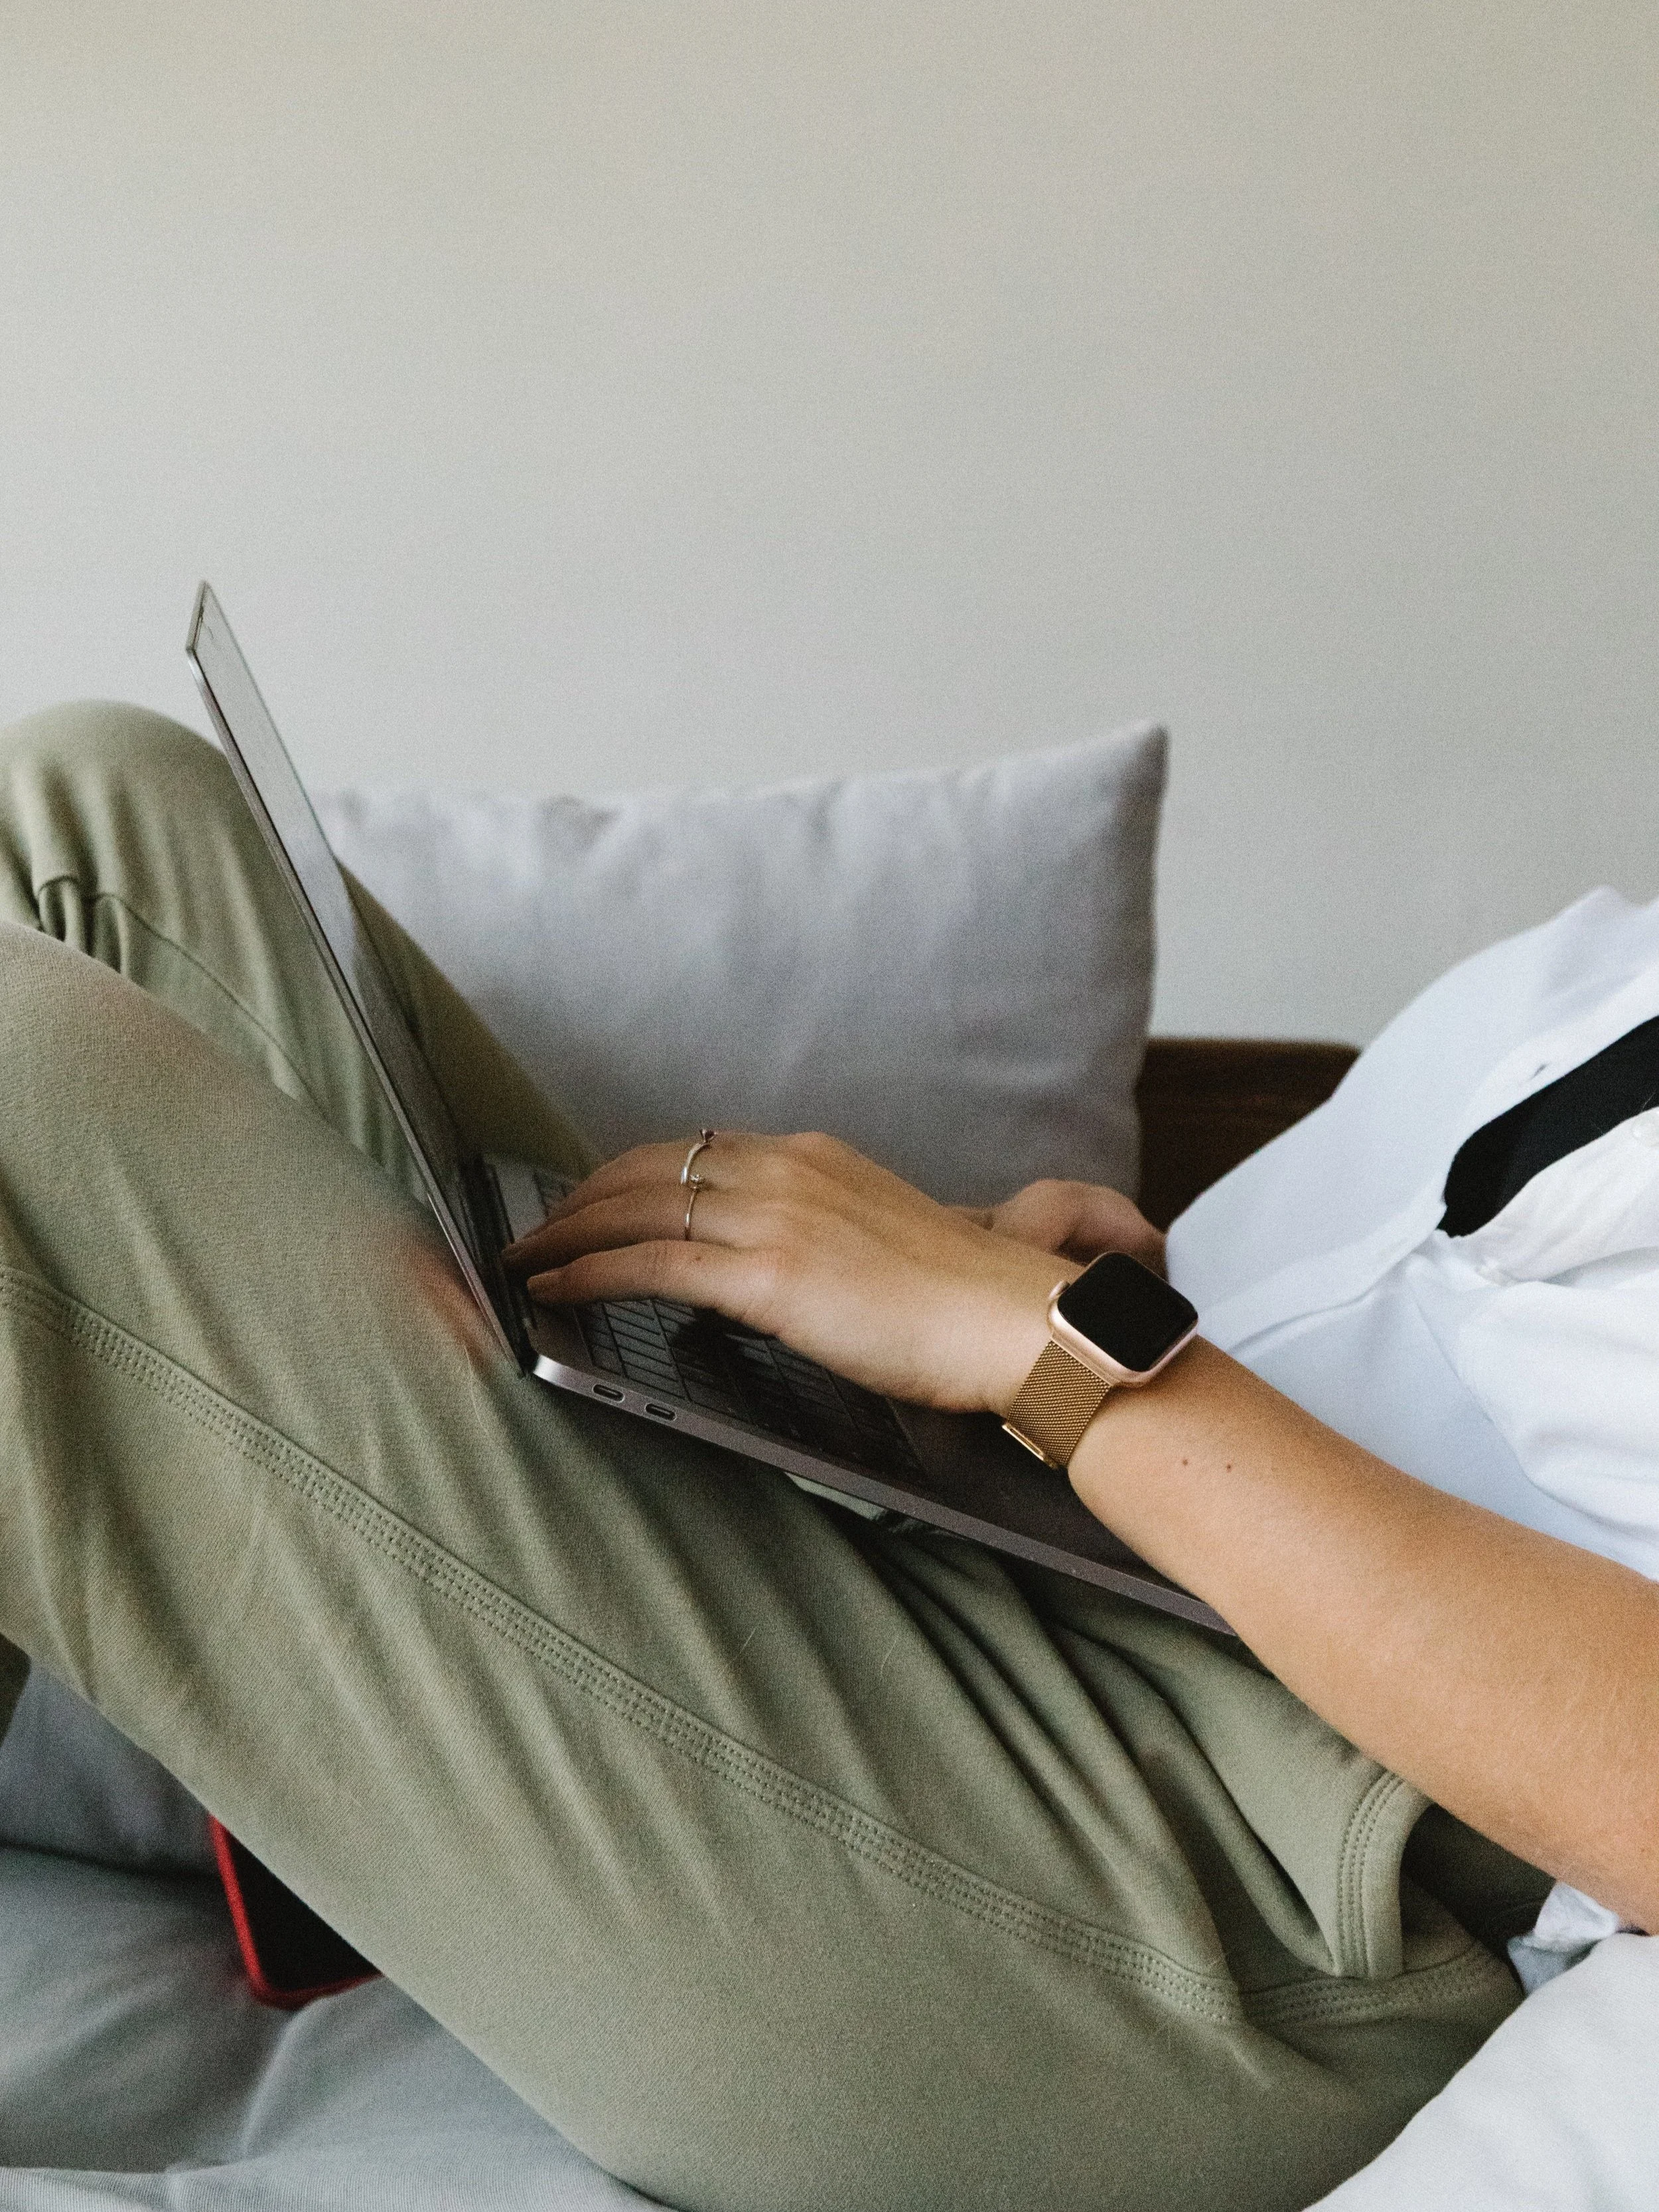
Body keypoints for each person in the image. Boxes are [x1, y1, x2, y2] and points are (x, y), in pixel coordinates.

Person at [0, 698, 1653, 2212]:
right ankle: (325, 1819)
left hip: (1261, 1912)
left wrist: (1059, 1353)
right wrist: (1066, 1312)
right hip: (1068, 1570)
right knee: (95, 811)